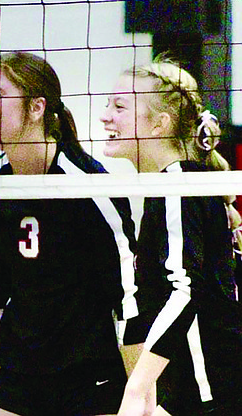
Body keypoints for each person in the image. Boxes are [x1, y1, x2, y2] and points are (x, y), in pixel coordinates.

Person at [0, 51, 141, 416]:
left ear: (36, 108)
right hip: (23, 367)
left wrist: (139, 390)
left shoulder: (88, 188)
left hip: (89, 369)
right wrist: (2, 368)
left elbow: (126, 291)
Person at [101, 57, 242, 415]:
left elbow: (185, 290)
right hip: (194, 392)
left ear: (159, 123)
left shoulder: (178, 185)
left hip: (213, 391)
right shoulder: (166, 186)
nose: (105, 116)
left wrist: (137, 386)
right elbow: (147, 298)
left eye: (119, 106)